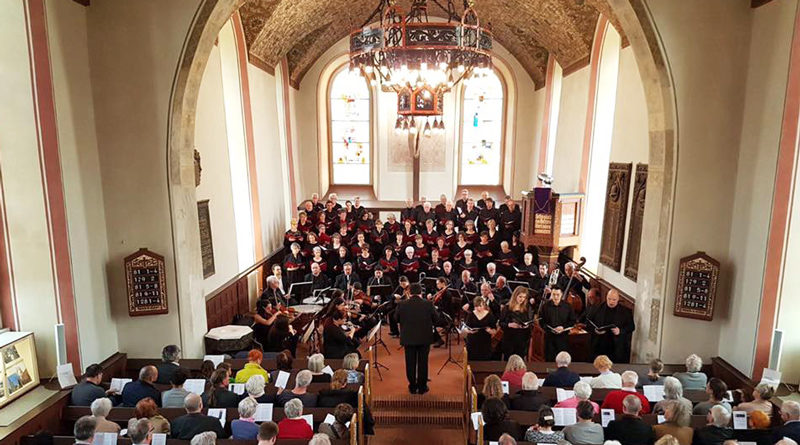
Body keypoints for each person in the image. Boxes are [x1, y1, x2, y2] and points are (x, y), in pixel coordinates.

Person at [395, 283, 437, 394]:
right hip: (424, 338)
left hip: (408, 338)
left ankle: (412, 386)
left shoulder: (402, 304)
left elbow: (396, 319)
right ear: (421, 293)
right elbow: (436, 319)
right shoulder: (428, 304)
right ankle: (422, 387)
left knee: (410, 362)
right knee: (423, 362)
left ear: (409, 292)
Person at [586, 289, 635, 363]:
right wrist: (595, 330)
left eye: (614, 300)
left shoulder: (626, 311)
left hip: (616, 347)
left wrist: (620, 331)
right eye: (609, 299)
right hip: (599, 345)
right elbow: (588, 322)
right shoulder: (597, 308)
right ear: (606, 297)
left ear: (618, 299)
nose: (611, 302)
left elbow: (631, 327)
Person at [539, 288, 577, 361]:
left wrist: (563, 327)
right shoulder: (545, 306)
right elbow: (541, 321)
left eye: (558, 295)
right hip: (549, 337)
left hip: (563, 338)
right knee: (549, 359)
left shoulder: (568, 306)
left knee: (562, 360)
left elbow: (572, 321)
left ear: (561, 295)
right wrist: (549, 329)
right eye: (553, 295)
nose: (556, 297)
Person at [500, 287, 534, 360]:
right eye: (520, 297)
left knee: (519, 360)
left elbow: (530, 321)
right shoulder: (507, 308)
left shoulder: (527, 308)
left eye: (524, 297)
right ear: (515, 296)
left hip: (521, 338)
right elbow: (501, 323)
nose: (522, 299)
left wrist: (526, 325)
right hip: (509, 338)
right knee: (508, 359)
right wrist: (509, 325)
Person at [465, 296, 498, 361]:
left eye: (480, 306)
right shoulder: (471, 314)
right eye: (477, 306)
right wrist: (469, 331)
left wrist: (490, 331)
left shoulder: (490, 315)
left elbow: (495, 330)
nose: (479, 308)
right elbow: (466, 327)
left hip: (485, 340)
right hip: (473, 340)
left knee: (484, 360)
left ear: (484, 305)